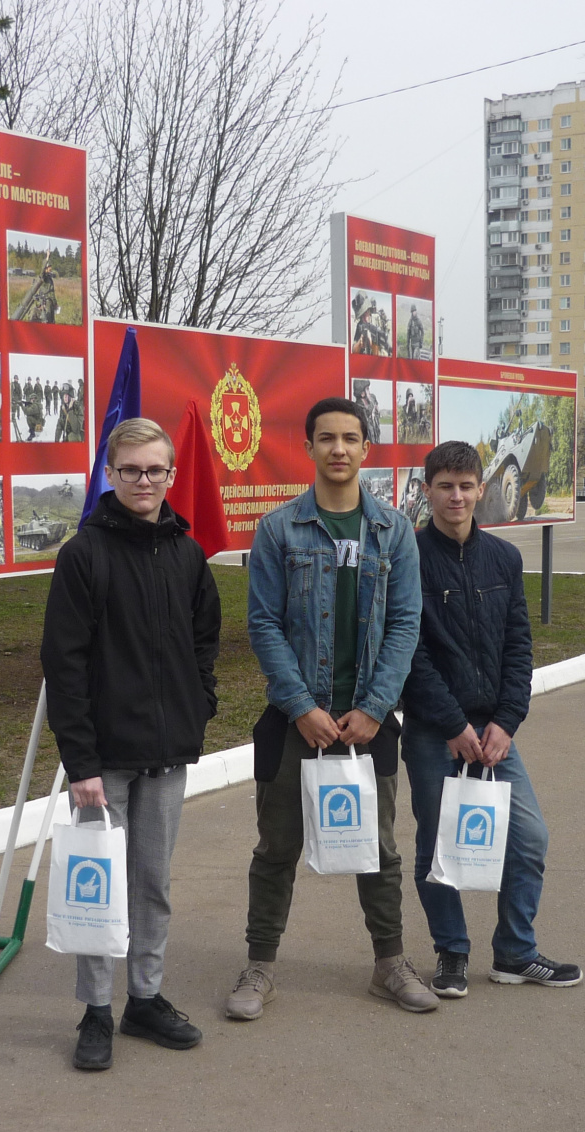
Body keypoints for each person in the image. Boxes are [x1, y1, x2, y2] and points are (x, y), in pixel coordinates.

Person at [225, 397, 433, 1020]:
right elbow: (263, 624)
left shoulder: (394, 530)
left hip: (368, 722)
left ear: (366, 448)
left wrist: (374, 707)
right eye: (326, 438)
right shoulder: (278, 528)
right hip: (297, 722)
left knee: (380, 849)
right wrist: (299, 706)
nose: (338, 449)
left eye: (350, 438)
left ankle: (388, 962)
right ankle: (260, 965)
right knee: (276, 848)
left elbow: (404, 623)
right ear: (308, 447)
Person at [40, 417, 222, 1072]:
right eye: (130, 470)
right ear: (109, 476)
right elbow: (64, 666)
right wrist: (80, 763)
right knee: (99, 886)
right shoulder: (83, 556)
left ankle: (144, 998)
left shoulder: (187, 555)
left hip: (168, 754)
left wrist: (199, 706)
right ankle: (96, 1010)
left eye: (155, 470)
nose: (143, 481)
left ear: (172, 476)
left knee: (152, 883)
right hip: (104, 762)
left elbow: (205, 642)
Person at [400, 440, 579, 998]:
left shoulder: (503, 558)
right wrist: (454, 725)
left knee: (528, 839)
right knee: (437, 846)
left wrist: (507, 720)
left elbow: (518, 645)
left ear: (482, 489)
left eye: (465, 485)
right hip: (436, 732)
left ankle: (515, 952)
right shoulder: (406, 556)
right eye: (444, 485)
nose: (456, 495)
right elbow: (408, 651)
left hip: (496, 733)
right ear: (425, 489)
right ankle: (451, 953)